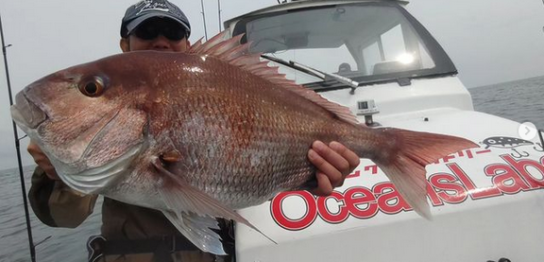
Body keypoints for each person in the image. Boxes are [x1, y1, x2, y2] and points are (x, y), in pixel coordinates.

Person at [27, 0, 360, 261]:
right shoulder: (93, 128)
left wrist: (311, 177)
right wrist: (57, 173)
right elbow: (62, 219)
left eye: (172, 33)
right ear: (124, 44)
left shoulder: (224, 86)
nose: (160, 42)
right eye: (147, 32)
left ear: (187, 42)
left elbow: (258, 169)